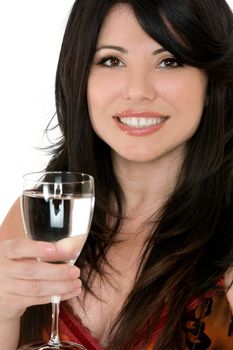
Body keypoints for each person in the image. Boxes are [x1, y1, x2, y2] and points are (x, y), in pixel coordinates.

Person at [1, 0, 233, 349]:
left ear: (211, 81)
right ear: (80, 75)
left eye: (169, 61)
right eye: (112, 60)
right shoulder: (41, 215)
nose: (138, 90)